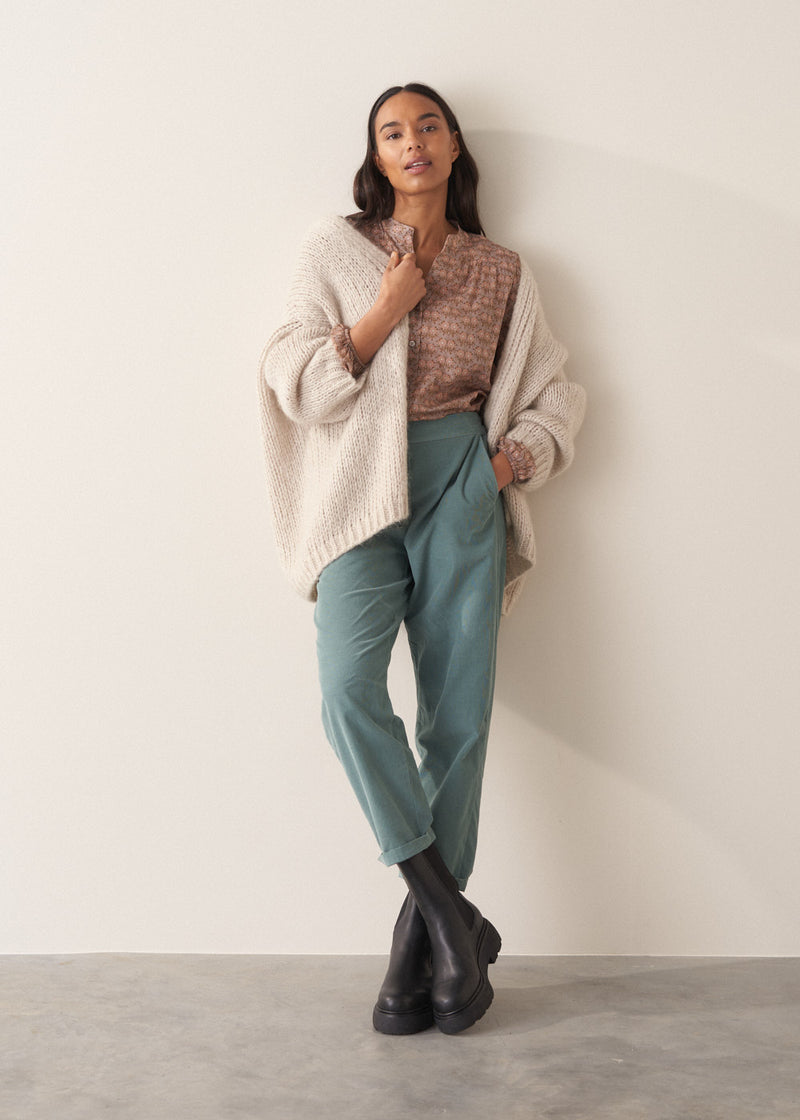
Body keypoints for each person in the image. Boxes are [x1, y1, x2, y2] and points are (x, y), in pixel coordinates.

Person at [257, 83, 585, 1035]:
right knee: (347, 693)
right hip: (361, 492)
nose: (413, 143)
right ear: (376, 153)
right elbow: (292, 377)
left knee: (457, 722)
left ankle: (416, 952)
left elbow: (555, 393)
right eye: (393, 131)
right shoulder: (338, 250)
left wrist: (507, 461)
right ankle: (449, 911)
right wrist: (382, 310)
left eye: (428, 126)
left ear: (452, 146)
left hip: (460, 486)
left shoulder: (502, 270)